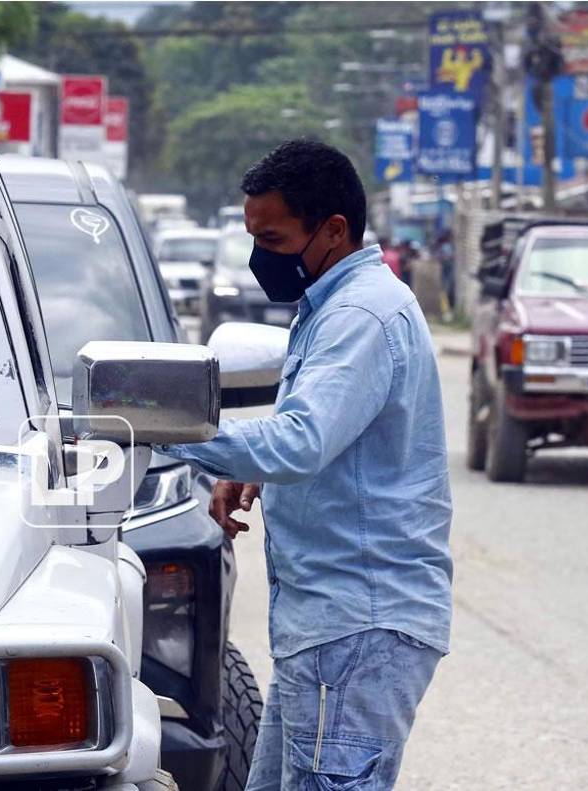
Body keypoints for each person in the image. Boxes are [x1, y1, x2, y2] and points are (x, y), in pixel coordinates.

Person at [156, 139, 452, 790]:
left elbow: (301, 439)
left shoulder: (360, 313)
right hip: (322, 629)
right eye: (254, 236)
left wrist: (160, 430)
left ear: (334, 230)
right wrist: (251, 468)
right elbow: (331, 431)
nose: (264, 254)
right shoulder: (328, 305)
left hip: (355, 626)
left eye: (276, 236)